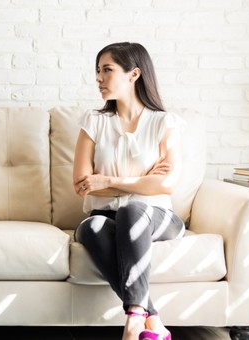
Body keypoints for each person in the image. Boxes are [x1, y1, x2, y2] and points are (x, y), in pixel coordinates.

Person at [72, 42, 185, 340]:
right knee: (92, 227)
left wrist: (106, 181)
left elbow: (166, 184)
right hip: (104, 216)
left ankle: (134, 320)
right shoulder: (93, 122)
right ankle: (153, 320)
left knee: (132, 210)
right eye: (97, 71)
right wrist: (142, 181)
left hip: (155, 216)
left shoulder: (164, 123)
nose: (98, 78)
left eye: (107, 70)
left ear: (134, 74)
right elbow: (83, 184)